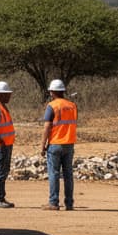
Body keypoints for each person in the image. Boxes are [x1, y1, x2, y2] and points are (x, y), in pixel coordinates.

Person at [41, 79, 78, 211]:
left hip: (55, 144)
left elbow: (47, 127)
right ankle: (69, 203)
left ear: (52, 92)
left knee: (54, 174)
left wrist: (42, 146)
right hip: (69, 144)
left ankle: (53, 202)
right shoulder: (72, 106)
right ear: (63, 91)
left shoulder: (52, 106)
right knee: (68, 174)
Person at [0, 81, 17, 208]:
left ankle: (1, 197)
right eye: (7, 94)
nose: (9, 96)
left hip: (6, 144)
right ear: (0, 94)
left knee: (4, 170)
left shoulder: (3, 107)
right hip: (0, 145)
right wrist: (0, 141)